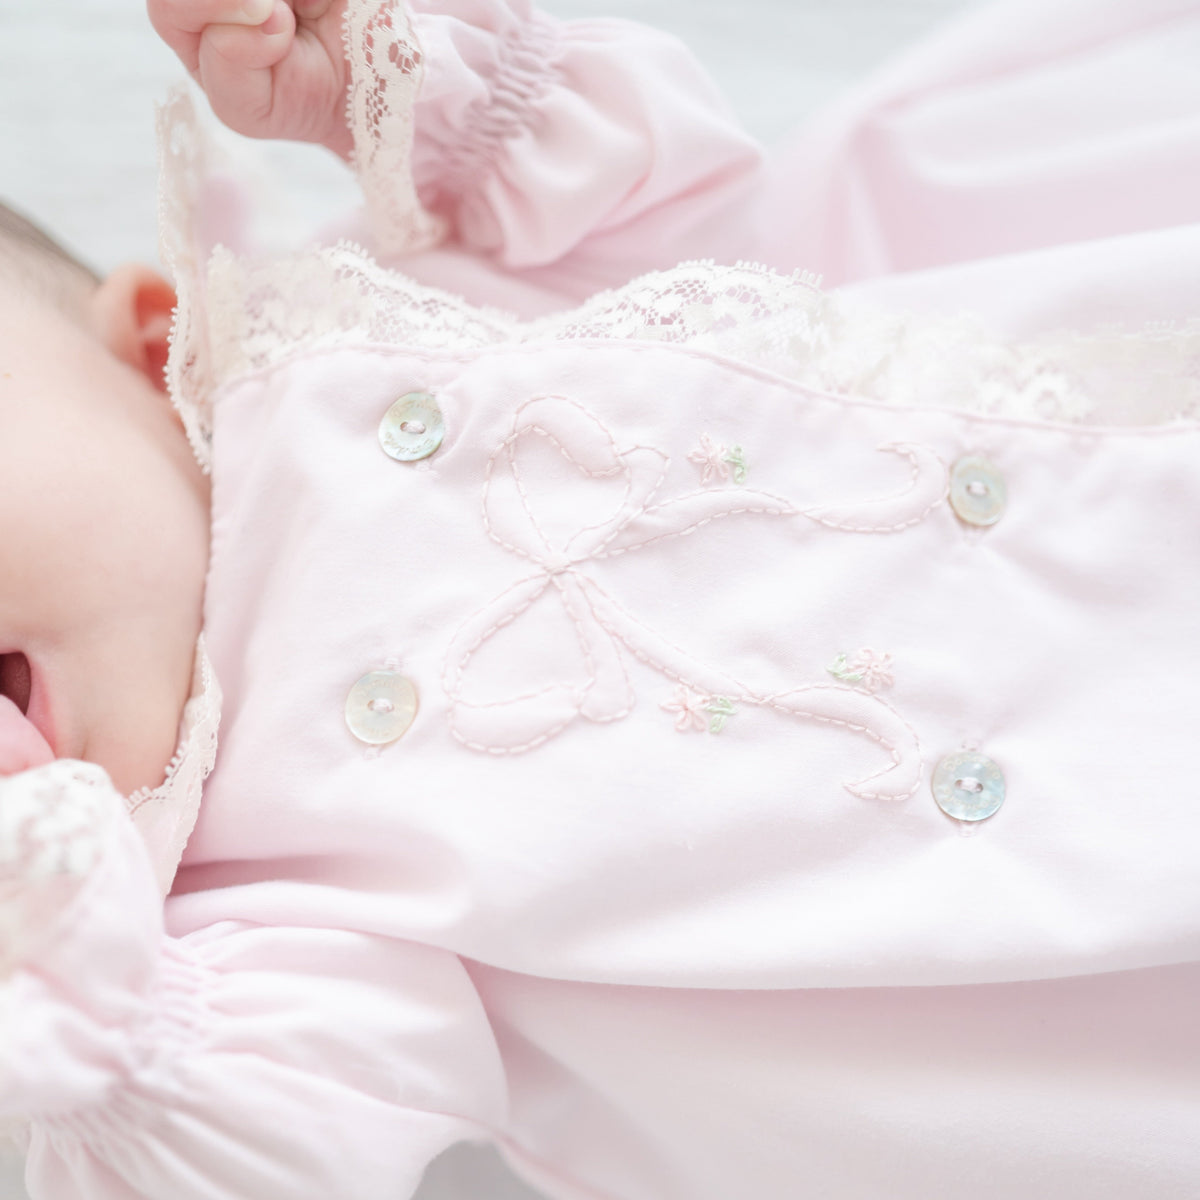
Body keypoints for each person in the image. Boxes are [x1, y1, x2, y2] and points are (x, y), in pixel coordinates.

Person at [1, 1, 1198, 1197]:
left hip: (1100, 535)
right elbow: (302, 1131)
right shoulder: (216, 941)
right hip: (1055, 995)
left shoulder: (370, 326)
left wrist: (394, 82)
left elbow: (678, 210)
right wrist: (69, 990)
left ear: (155, 347)